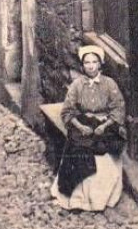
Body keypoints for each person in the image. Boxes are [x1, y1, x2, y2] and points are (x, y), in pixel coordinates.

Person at [51, 44, 126, 212]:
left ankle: (98, 200)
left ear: (100, 64)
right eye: (87, 63)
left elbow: (118, 109)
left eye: (94, 62)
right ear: (82, 65)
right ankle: (78, 198)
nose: (91, 66)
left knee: (102, 150)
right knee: (77, 149)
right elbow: (67, 111)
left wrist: (105, 126)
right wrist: (80, 126)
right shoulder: (77, 85)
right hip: (83, 123)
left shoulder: (109, 84)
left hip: (106, 124)